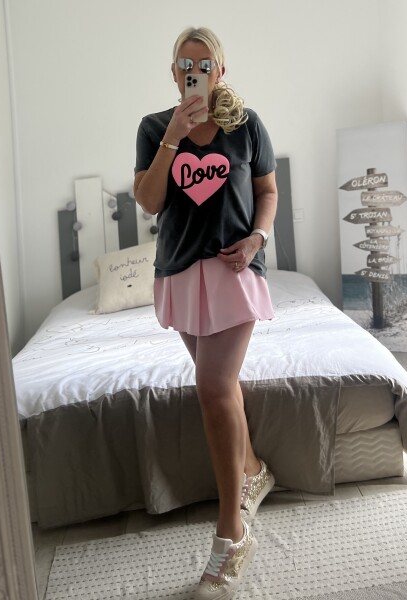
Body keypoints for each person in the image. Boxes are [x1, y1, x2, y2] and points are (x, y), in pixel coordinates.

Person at [133, 26, 277, 599]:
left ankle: (231, 534)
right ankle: (255, 471)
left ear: (220, 70)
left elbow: (267, 192)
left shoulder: (247, 125)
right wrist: (174, 136)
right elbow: (149, 201)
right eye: (185, 65)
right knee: (223, 387)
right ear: (174, 73)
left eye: (205, 64)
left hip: (234, 271)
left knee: (213, 387)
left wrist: (258, 238)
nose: (195, 72)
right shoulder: (153, 128)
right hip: (180, 273)